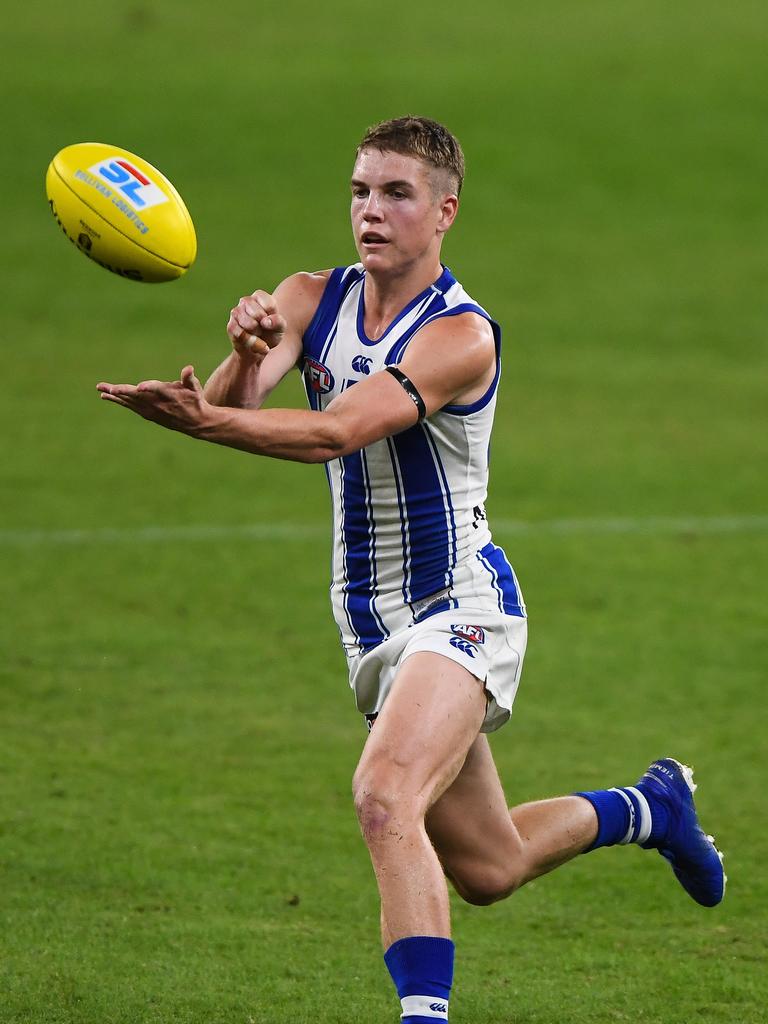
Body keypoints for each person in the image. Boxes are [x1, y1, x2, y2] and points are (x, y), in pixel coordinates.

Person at [97, 116, 725, 1023]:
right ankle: (650, 807)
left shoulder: (461, 337)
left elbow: (330, 432)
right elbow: (245, 410)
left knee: (385, 795)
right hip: (371, 627)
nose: (371, 211)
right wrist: (237, 365)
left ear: (444, 212)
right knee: (489, 867)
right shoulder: (311, 299)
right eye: (360, 190)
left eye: (396, 194)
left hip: (461, 607)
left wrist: (200, 418)